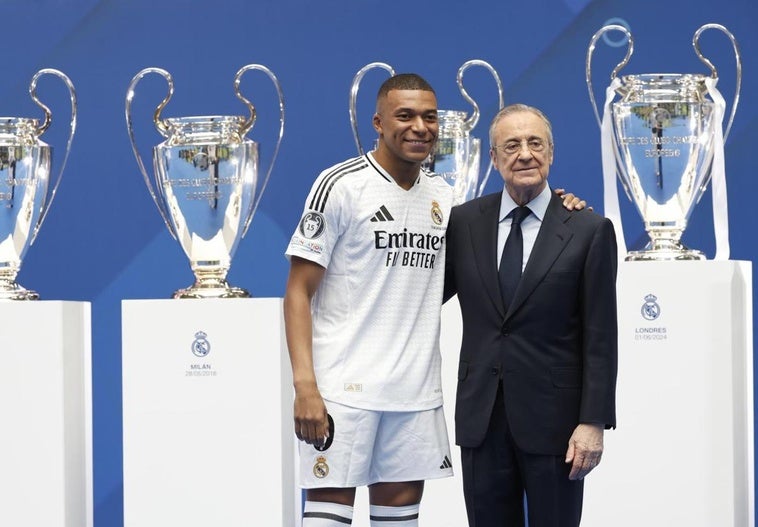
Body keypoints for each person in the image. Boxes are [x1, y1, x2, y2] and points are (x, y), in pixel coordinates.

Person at [283, 73, 453, 527]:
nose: (419, 126)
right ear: (378, 123)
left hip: (415, 395)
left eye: (429, 116)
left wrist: (560, 206)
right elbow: (298, 291)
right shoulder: (340, 185)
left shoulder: (445, 196)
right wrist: (305, 387)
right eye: (405, 115)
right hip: (343, 393)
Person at [443, 103, 618, 527]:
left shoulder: (588, 230)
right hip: (481, 421)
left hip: (557, 426)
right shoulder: (463, 223)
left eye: (535, 143)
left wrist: (592, 421)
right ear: (493, 158)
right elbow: (420, 295)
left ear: (551, 152)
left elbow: (601, 337)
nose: (525, 153)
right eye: (512, 144)